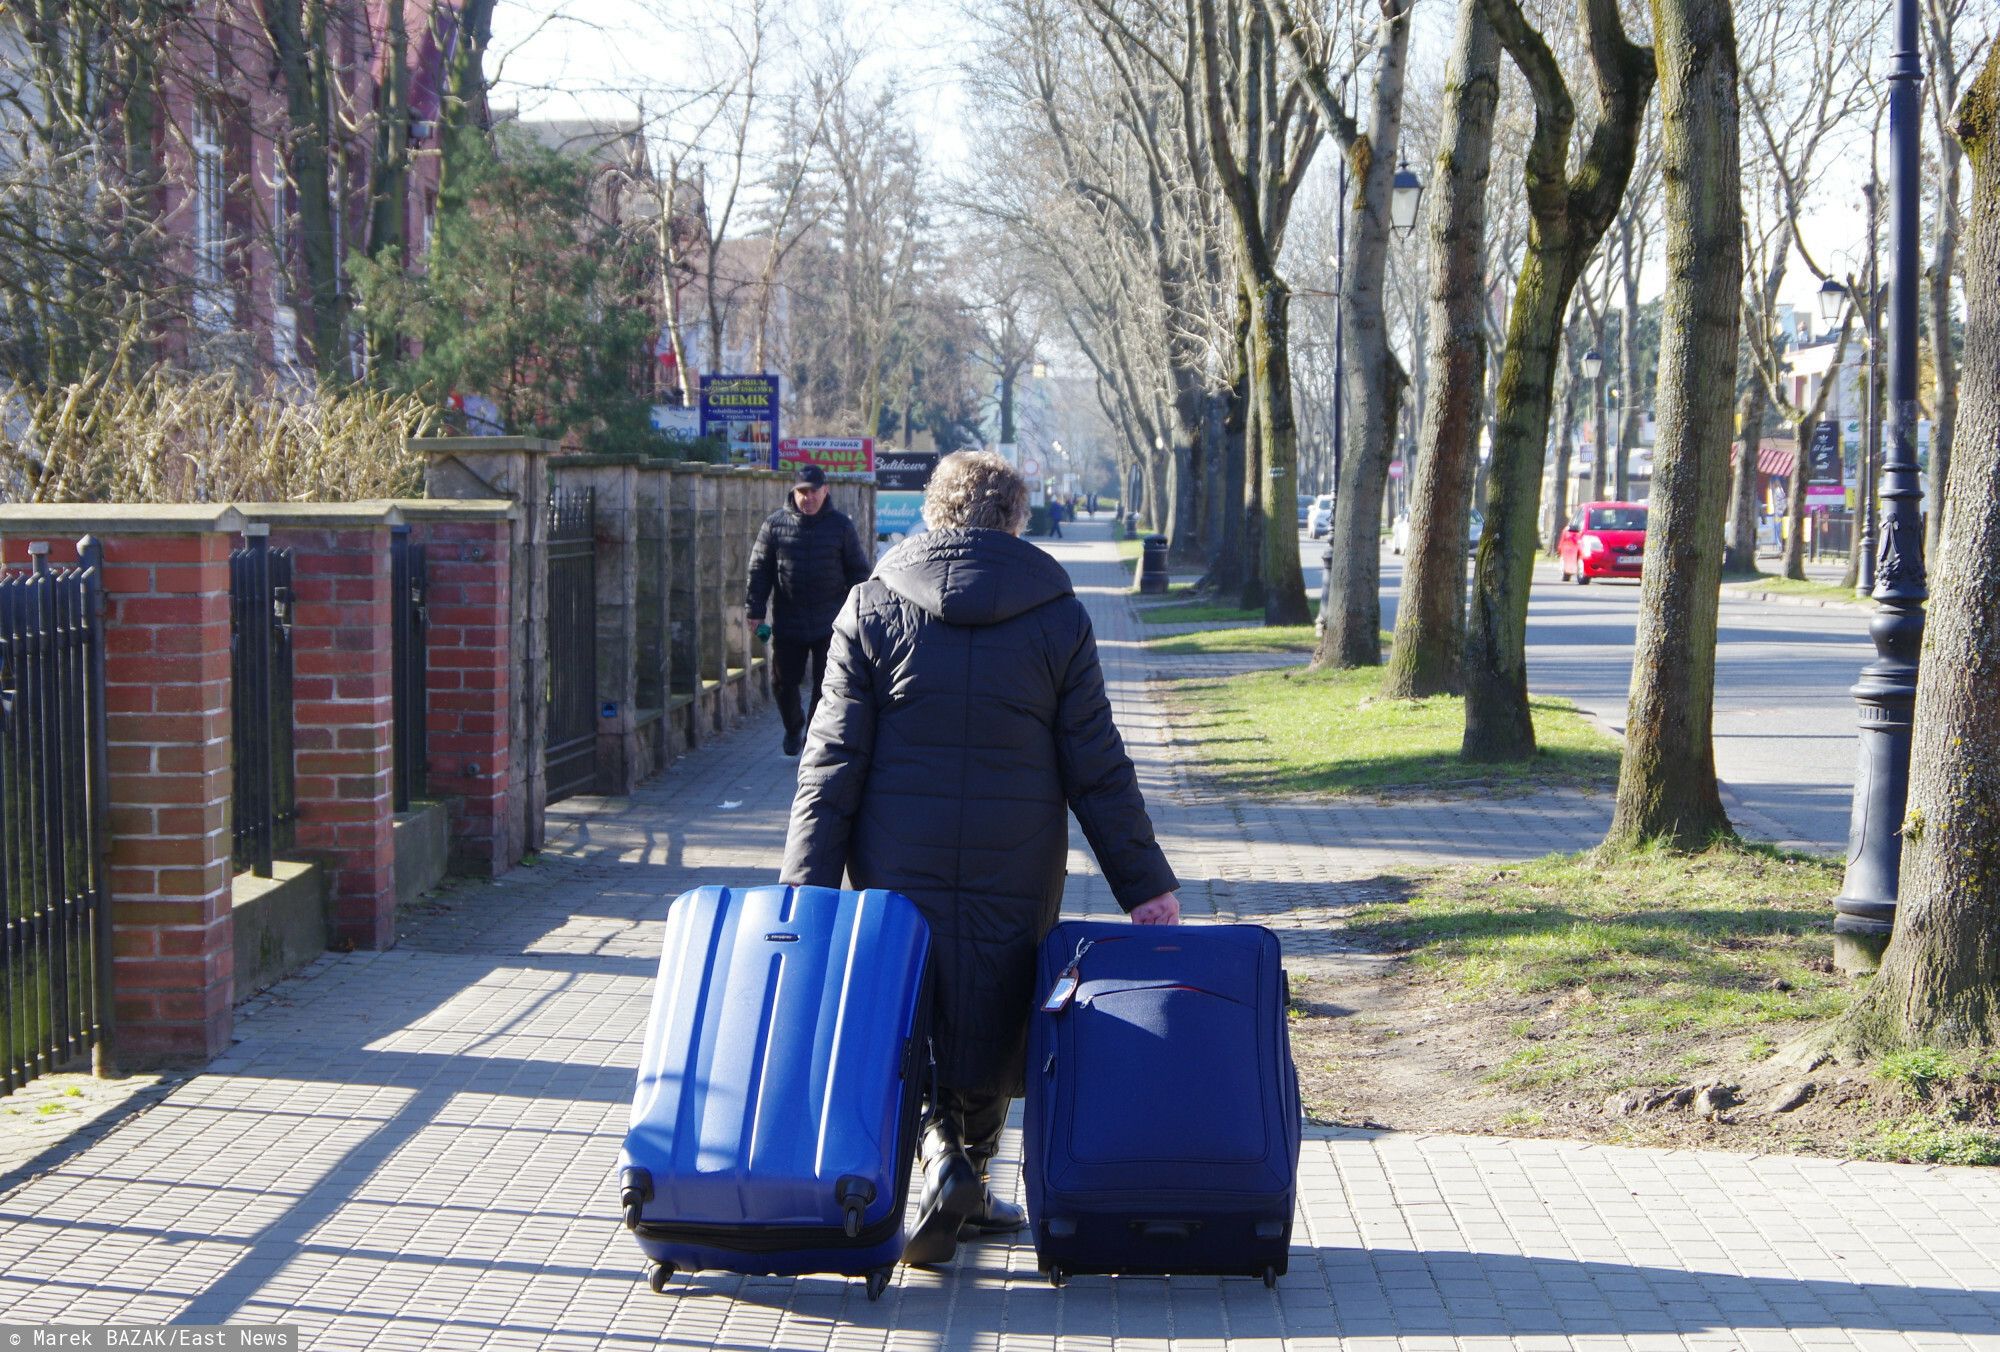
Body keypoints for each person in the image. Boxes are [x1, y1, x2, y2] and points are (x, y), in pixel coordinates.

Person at [781, 450, 1180, 1268]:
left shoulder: (872, 606)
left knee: (910, 1003)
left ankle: (938, 1160)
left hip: (895, 850)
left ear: (933, 512)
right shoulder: (1057, 615)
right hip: (1018, 853)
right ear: (1014, 519)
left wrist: (805, 889)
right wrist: (1145, 884)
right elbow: (1095, 764)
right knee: (997, 1004)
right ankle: (968, 1169)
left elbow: (830, 762)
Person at [746, 463, 872, 757]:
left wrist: (857, 612)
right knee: (782, 683)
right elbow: (759, 570)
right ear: (794, 492)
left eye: (813, 492)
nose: (808, 498)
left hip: (830, 623)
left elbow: (858, 572)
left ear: (825, 491)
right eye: (802, 492)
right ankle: (793, 726)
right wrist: (754, 609)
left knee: (825, 685)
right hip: (788, 621)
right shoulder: (775, 525)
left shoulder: (841, 526)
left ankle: (812, 737)